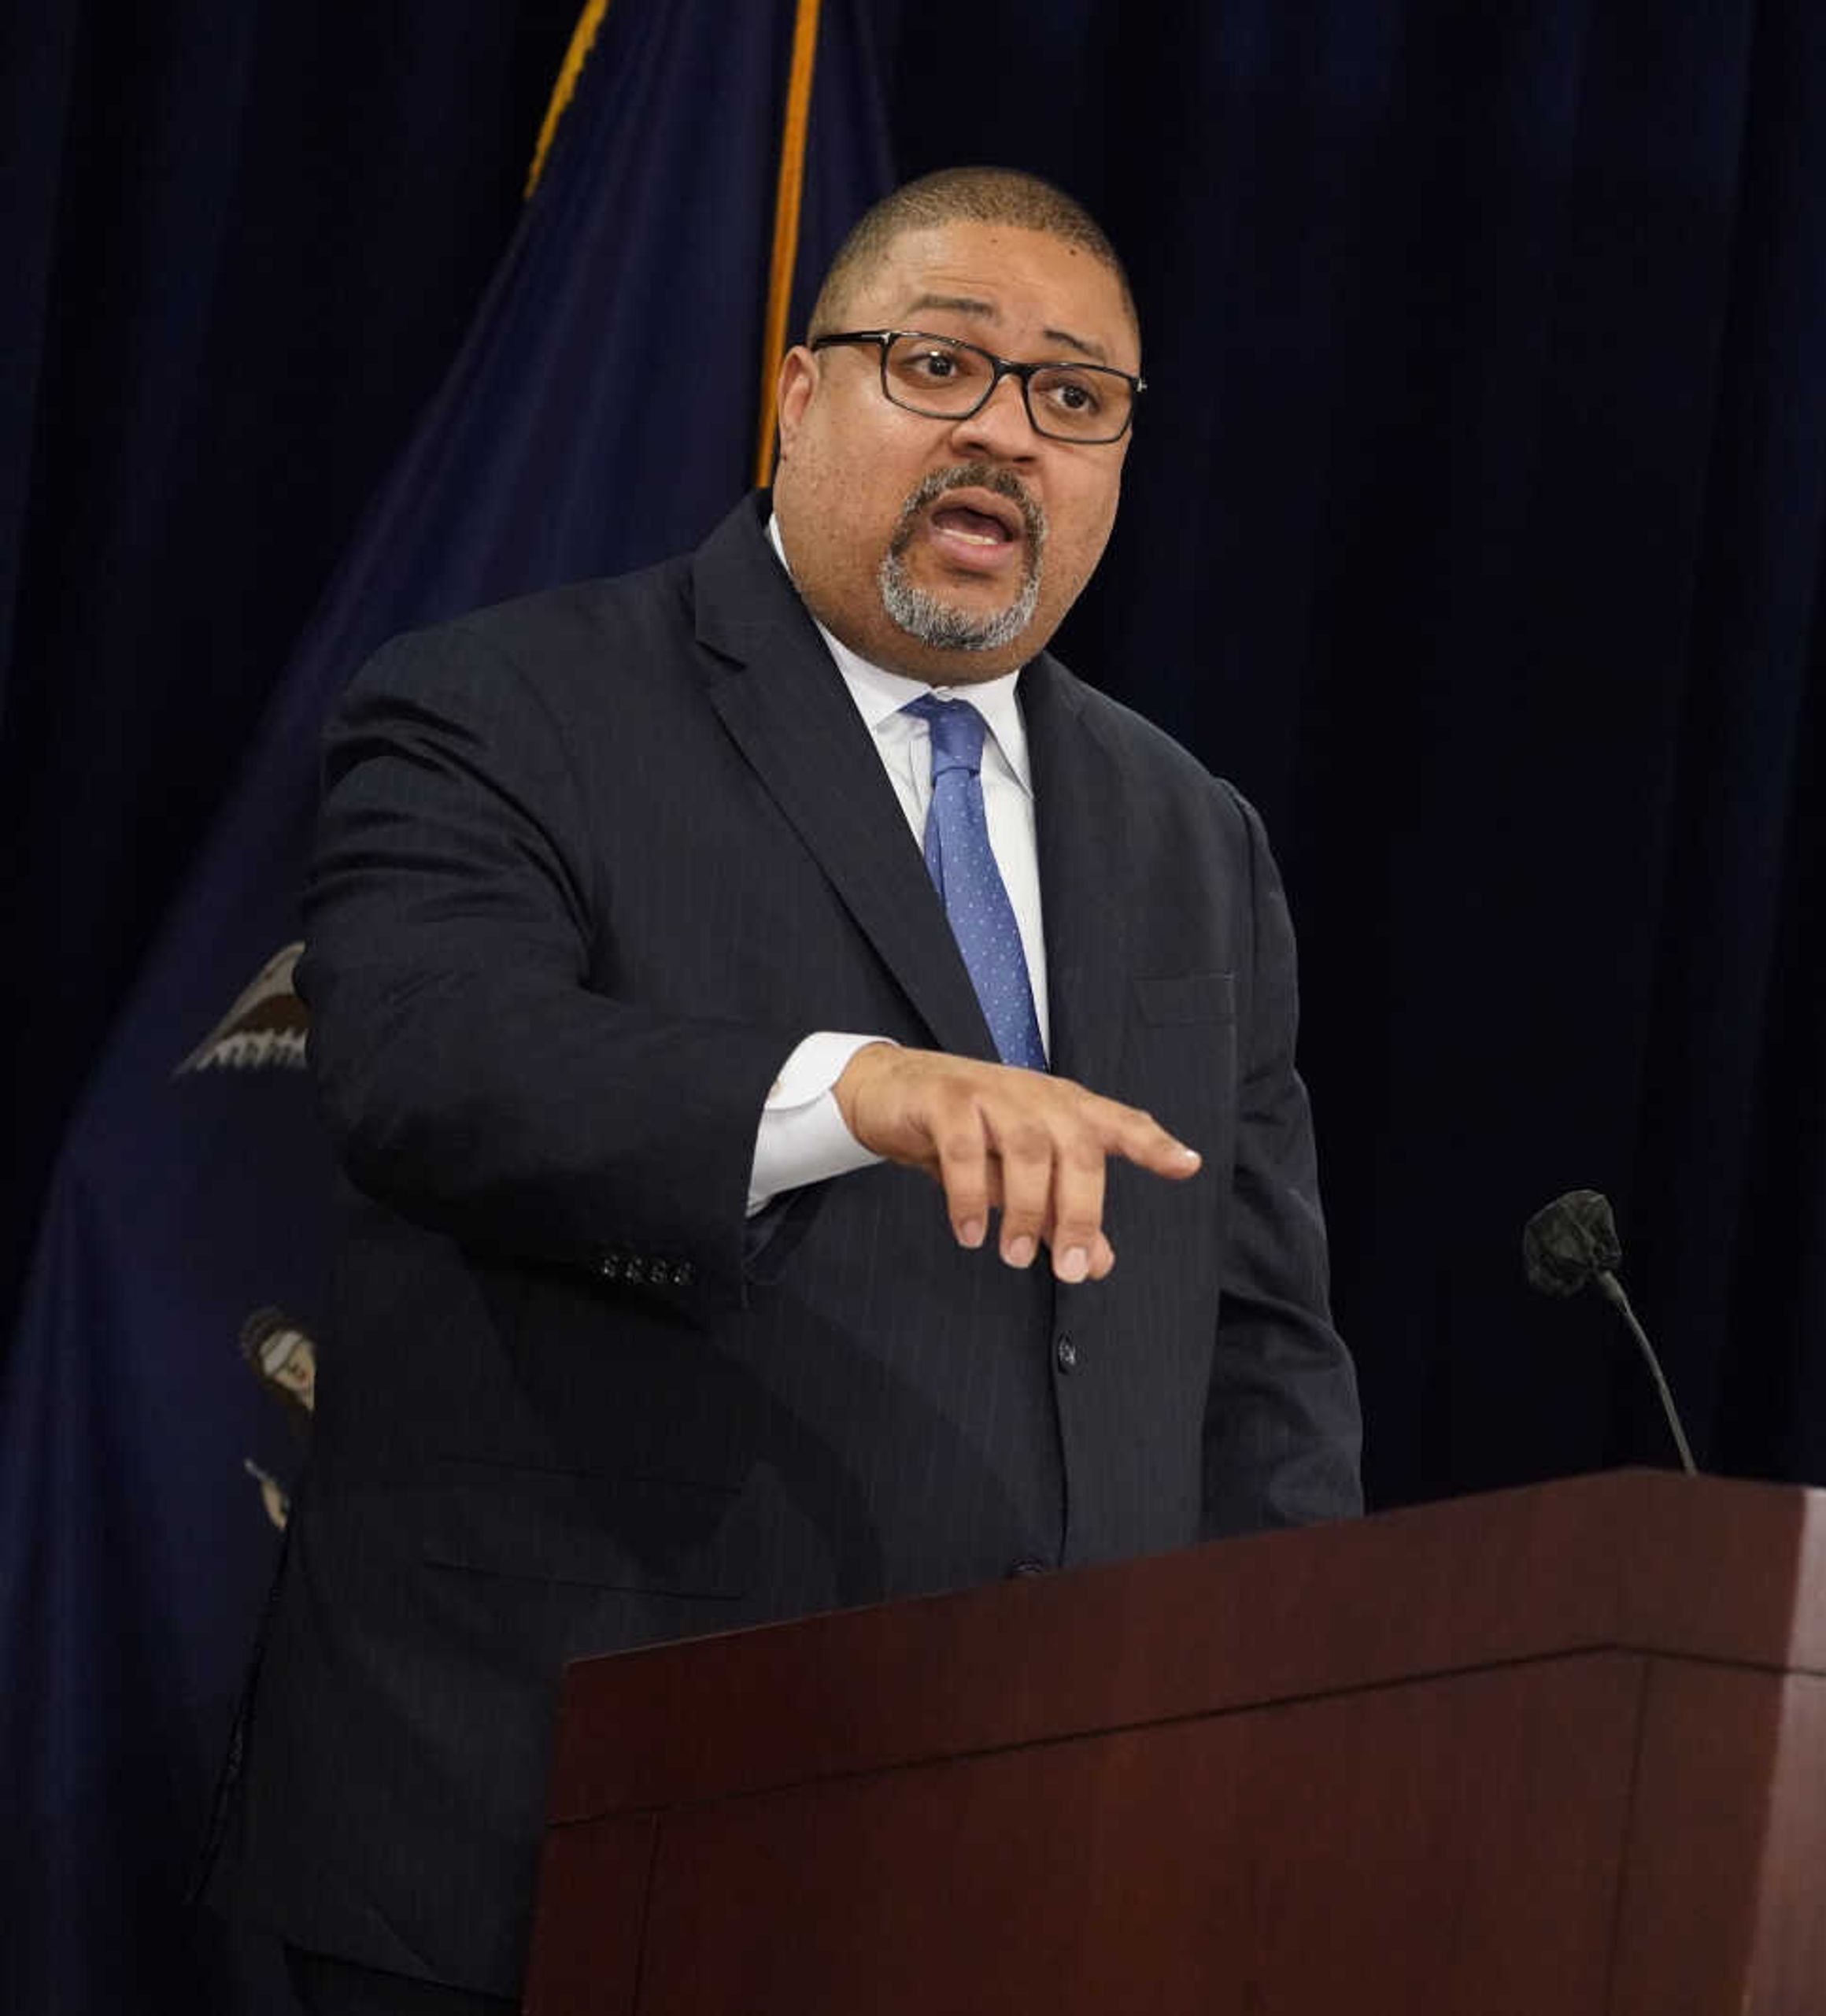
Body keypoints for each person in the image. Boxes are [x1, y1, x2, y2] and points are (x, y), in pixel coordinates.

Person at [214, 167, 1363, 2014]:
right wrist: (855, 1091)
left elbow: (1258, 1348)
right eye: (941, 362)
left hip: (1037, 1858)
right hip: (564, 1837)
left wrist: (1287, 1732)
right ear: (800, 390)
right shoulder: (507, 707)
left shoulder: (1194, 839)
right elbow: (425, 1061)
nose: (1006, 429)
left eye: (1074, 398)